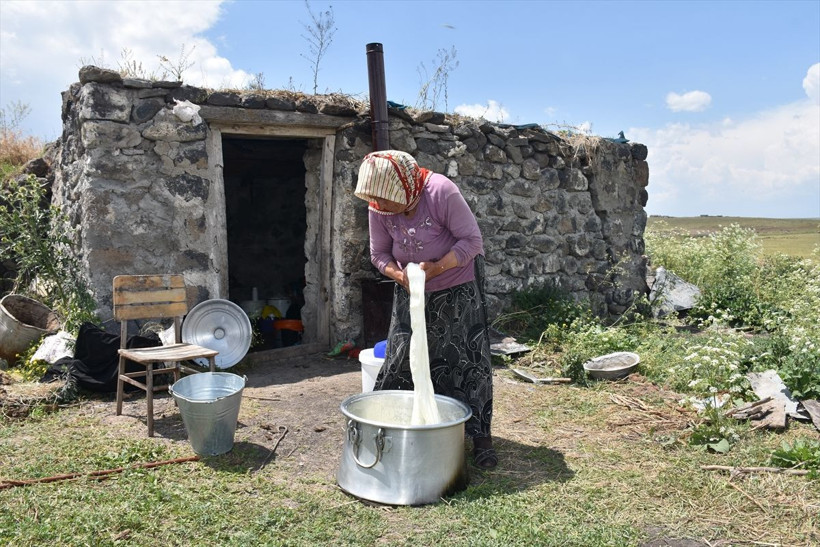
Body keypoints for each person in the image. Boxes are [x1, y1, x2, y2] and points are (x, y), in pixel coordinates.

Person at [353, 150, 497, 469]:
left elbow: (472, 241)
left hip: (458, 285)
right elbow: (379, 255)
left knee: (464, 357)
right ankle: (390, 428)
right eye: (376, 202)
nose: (381, 208)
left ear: (404, 187)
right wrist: (398, 275)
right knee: (403, 355)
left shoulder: (441, 192)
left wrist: (437, 267)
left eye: (386, 201)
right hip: (412, 289)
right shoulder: (379, 207)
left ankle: (479, 436)